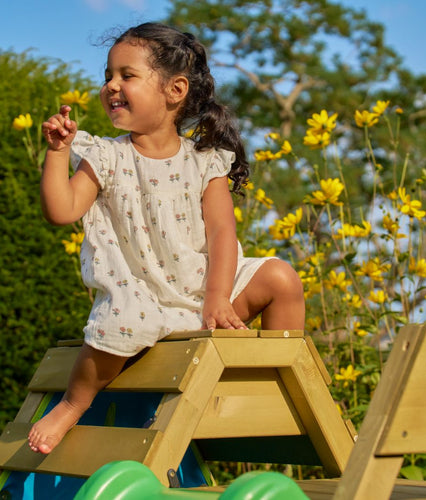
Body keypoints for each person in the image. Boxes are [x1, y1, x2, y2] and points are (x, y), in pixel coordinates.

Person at [28, 22, 304, 454]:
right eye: (108, 77)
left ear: (174, 90)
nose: (111, 86)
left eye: (126, 75)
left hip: (207, 288)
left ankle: (280, 387)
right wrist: (58, 153)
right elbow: (61, 211)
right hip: (146, 296)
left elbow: (222, 233)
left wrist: (217, 297)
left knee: (282, 278)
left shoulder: (205, 161)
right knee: (120, 323)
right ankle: (71, 405)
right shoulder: (106, 156)